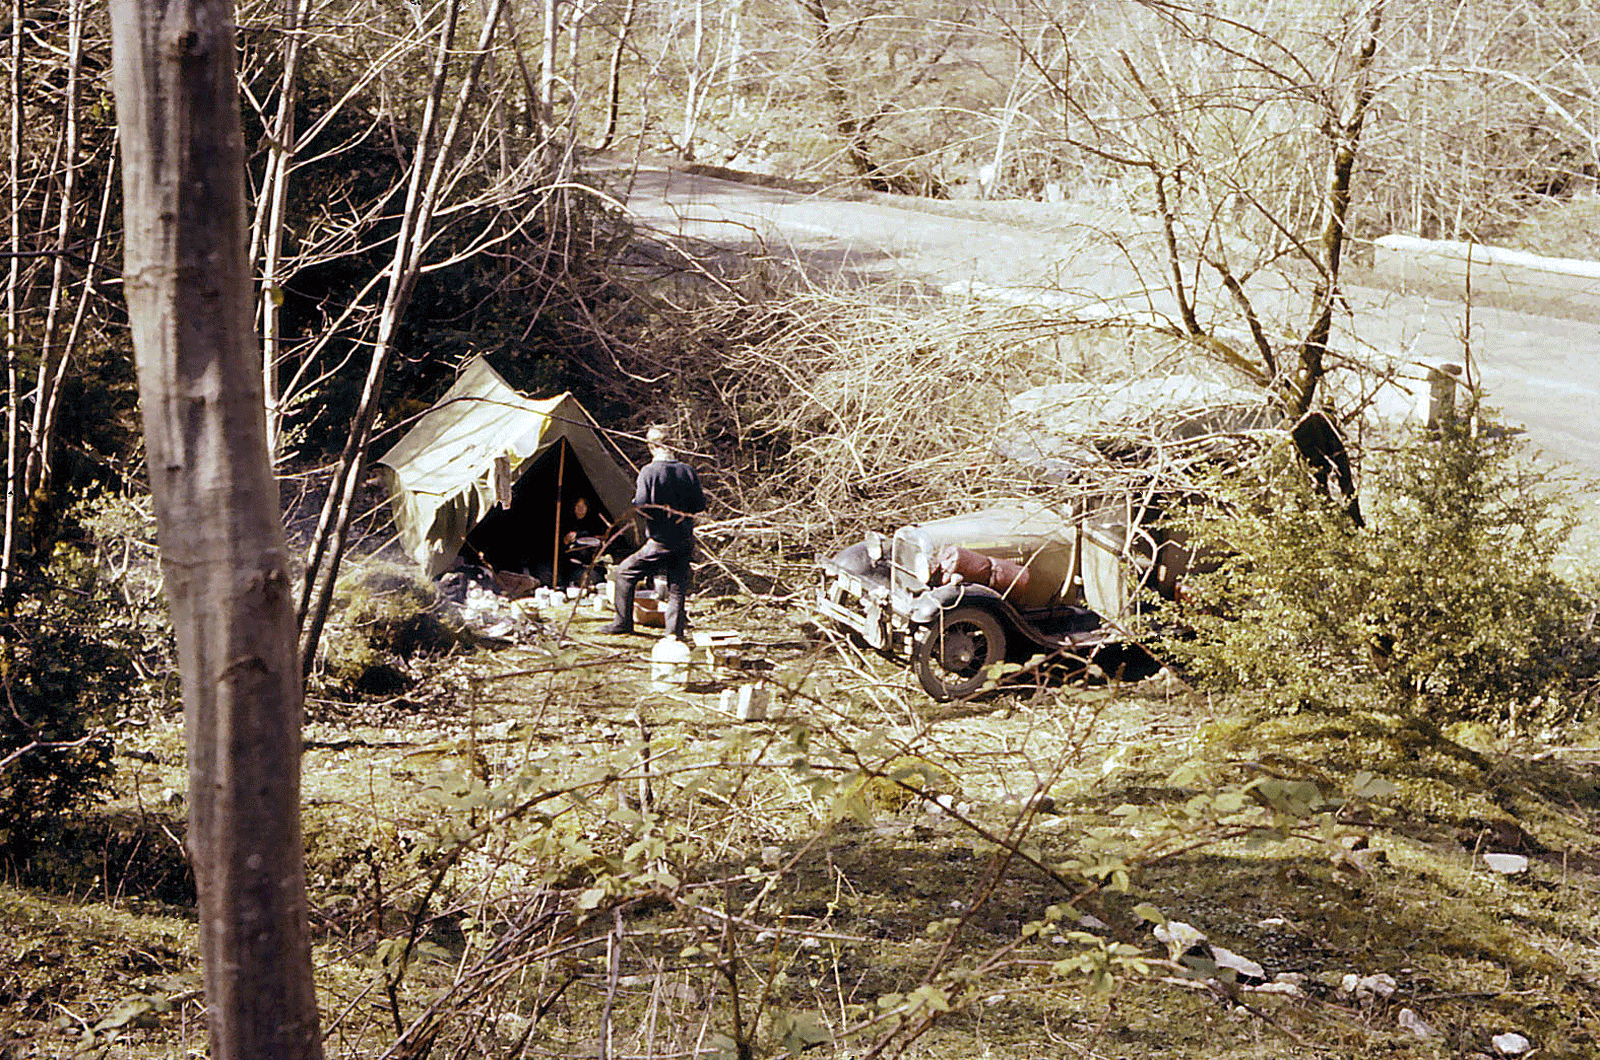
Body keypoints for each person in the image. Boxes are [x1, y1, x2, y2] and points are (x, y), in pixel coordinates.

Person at [604, 426, 706, 637]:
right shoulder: (688, 470)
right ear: (672, 444)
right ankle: (674, 634)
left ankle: (622, 623)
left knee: (624, 573)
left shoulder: (649, 471)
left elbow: (641, 506)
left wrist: (654, 515)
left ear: (651, 446)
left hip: (661, 541)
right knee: (676, 587)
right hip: (685, 539)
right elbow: (699, 505)